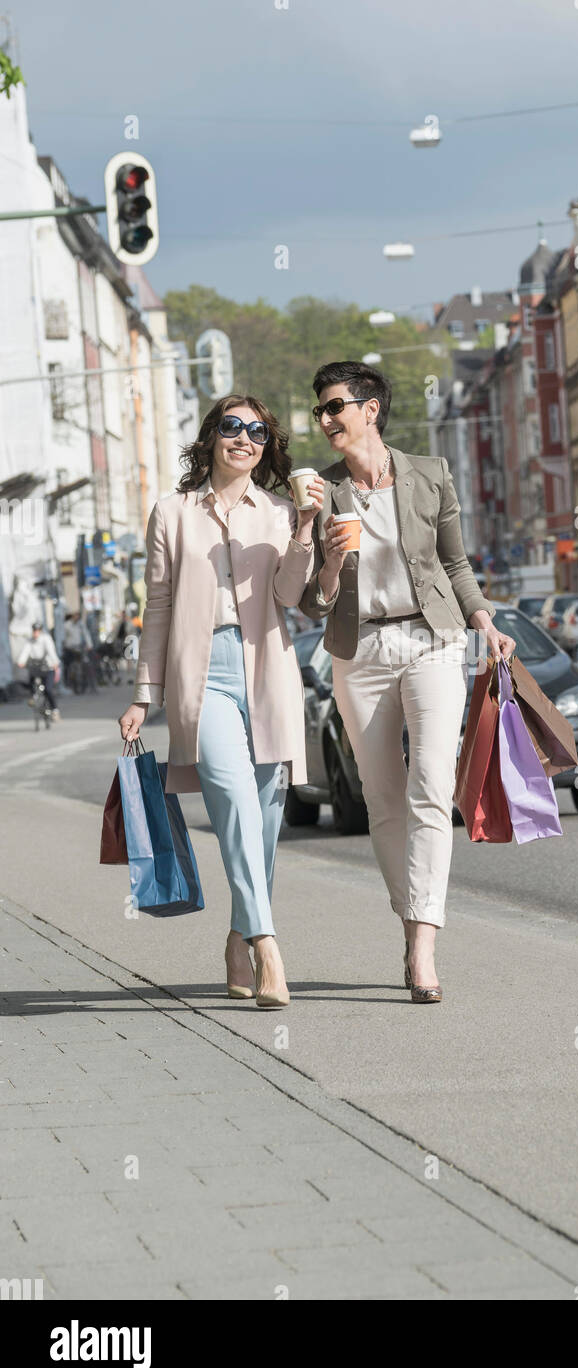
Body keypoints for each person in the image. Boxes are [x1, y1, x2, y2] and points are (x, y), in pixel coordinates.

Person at [298, 361, 516, 1004]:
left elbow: (454, 561)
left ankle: (423, 946)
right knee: (381, 796)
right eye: (319, 410)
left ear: (370, 408)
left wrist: (485, 622)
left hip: (432, 639)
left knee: (430, 784)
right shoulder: (321, 492)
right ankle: (408, 918)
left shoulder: (430, 474)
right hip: (359, 648)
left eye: (335, 405)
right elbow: (313, 602)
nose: (326, 419)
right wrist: (328, 557)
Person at [117, 395, 323, 1009]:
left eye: (257, 432)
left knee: (263, 820)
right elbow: (157, 606)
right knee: (232, 799)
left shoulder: (281, 511)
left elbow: (291, 594)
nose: (245, 439)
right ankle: (268, 946)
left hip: (267, 669)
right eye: (232, 427)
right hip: (198, 670)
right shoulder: (172, 513)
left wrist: (307, 528)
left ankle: (236, 938)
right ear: (211, 437)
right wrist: (143, 694)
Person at [16, 621, 60, 719]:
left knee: (48, 689)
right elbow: (25, 651)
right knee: (31, 680)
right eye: (34, 631)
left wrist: (55, 662)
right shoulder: (30, 641)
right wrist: (21, 661)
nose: (36, 633)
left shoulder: (46, 639)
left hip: (48, 667)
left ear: (40, 631)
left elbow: (51, 651)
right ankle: (33, 697)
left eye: (37, 631)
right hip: (36, 667)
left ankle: (55, 710)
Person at [63, 612, 94, 690]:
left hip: (79, 647)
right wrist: (63, 645)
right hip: (69, 648)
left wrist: (89, 644)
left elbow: (86, 634)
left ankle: (88, 681)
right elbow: (63, 637)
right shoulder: (67, 625)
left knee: (85, 663)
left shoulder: (80, 625)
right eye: (75, 616)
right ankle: (68, 682)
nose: (76, 618)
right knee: (68, 665)